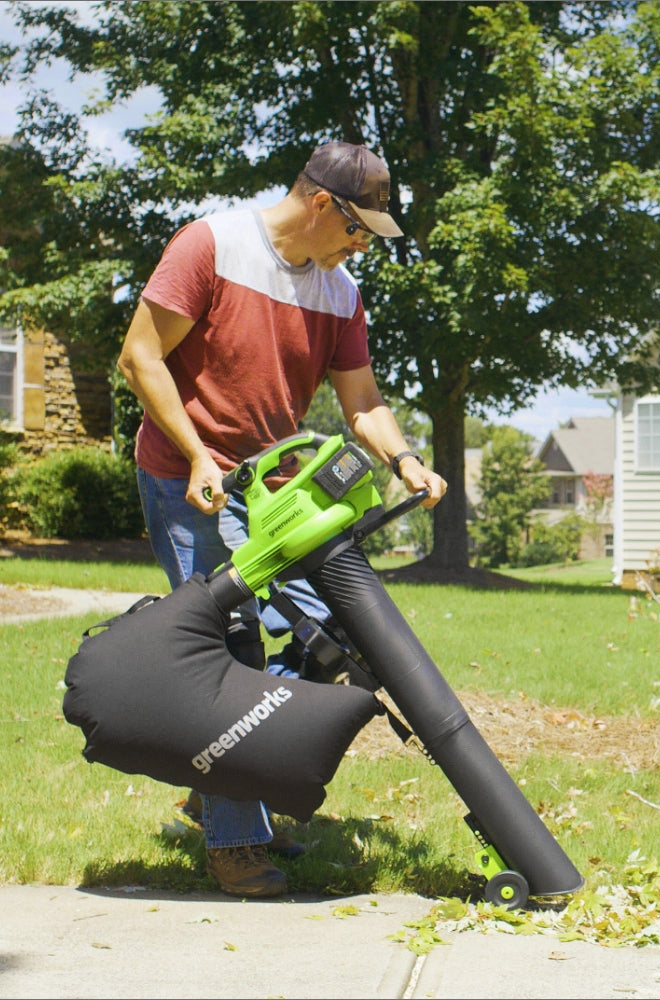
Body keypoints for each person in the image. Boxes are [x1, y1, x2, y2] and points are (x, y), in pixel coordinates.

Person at [117, 140, 448, 898]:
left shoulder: (340, 293)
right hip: (187, 477)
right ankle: (237, 837)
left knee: (327, 637)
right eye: (358, 229)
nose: (363, 246)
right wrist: (197, 455)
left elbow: (361, 400)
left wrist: (405, 459)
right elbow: (140, 357)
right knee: (228, 648)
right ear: (322, 203)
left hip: (277, 491)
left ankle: (220, 788)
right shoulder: (211, 245)